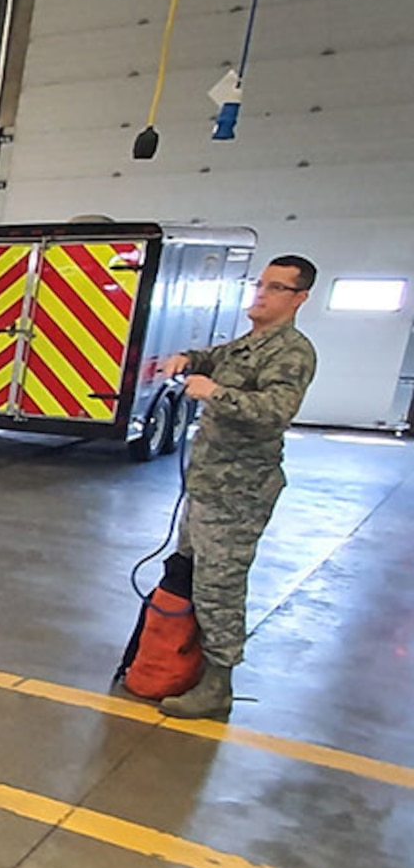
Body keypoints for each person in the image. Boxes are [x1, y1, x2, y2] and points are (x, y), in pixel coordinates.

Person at [156, 254, 319, 719]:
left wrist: (214, 392)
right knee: (187, 573)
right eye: (260, 284)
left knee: (219, 587)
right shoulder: (251, 343)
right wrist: (188, 360)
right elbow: (217, 358)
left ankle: (218, 684)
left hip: (240, 491)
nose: (261, 294)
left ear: (299, 298)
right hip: (208, 483)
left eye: (275, 288)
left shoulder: (291, 351)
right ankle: (176, 663)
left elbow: (275, 410)